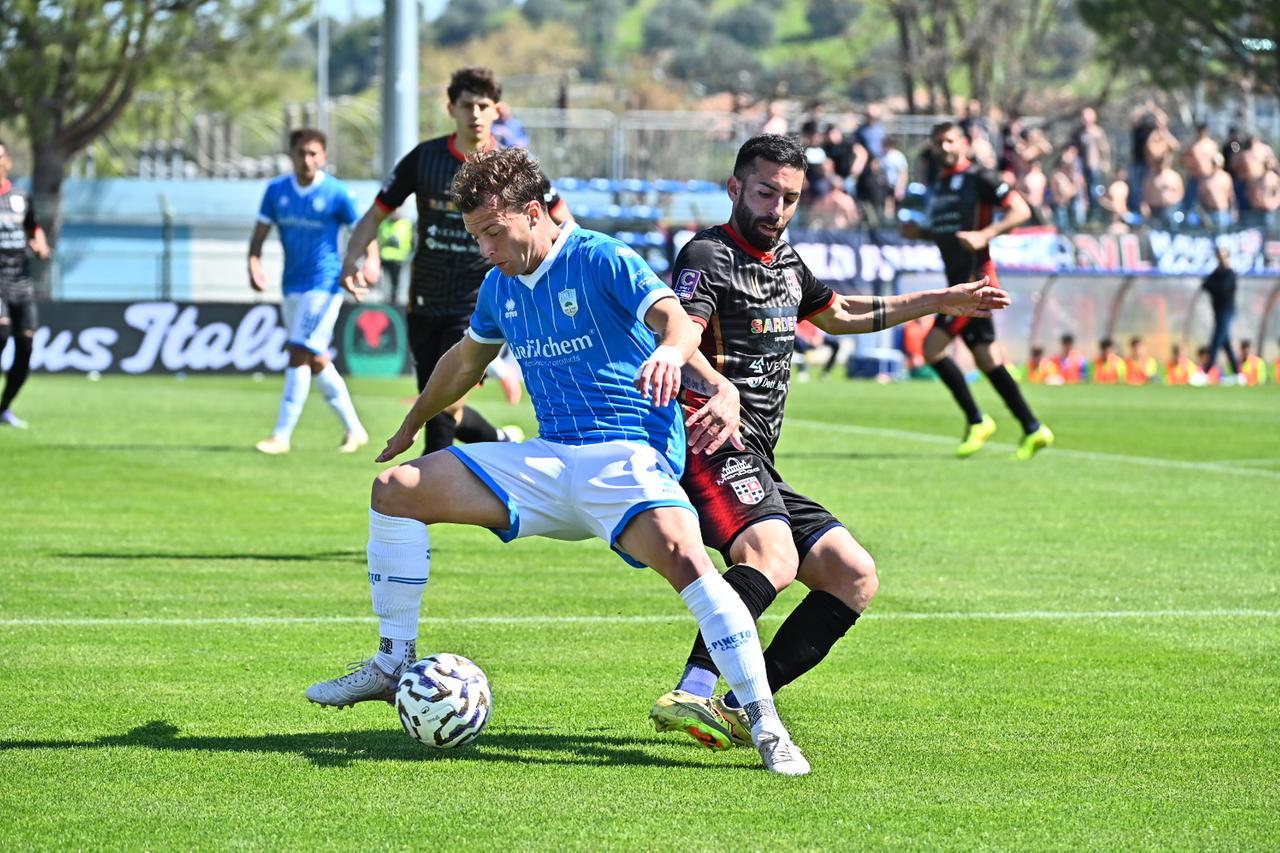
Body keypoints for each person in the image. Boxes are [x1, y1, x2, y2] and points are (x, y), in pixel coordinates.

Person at [307, 147, 811, 776]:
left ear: (534, 211)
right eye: (475, 237)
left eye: (493, 232)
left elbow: (677, 323)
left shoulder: (599, 257)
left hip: (628, 456)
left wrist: (673, 356)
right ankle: (391, 661)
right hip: (549, 461)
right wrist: (413, 422)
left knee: (689, 562)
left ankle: (765, 726)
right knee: (395, 489)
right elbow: (466, 363)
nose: (485, 250)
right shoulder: (500, 285)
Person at [648, 134, 1009, 751]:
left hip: (758, 460)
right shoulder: (705, 255)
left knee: (853, 575)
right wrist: (707, 381)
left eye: (789, 198)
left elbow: (841, 313)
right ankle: (692, 688)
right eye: (765, 194)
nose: (777, 210)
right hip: (707, 443)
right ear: (735, 188)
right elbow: (684, 330)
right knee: (773, 559)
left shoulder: (787, 264)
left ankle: (734, 707)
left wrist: (940, 300)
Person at [340, 67, 570, 455]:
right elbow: (377, 213)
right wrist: (351, 258)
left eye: (484, 106)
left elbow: (561, 220)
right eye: (467, 105)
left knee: (448, 403)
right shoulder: (424, 159)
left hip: (482, 298)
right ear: (451, 108)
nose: (475, 114)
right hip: (425, 297)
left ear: (498, 110)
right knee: (439, 404)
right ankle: (500, 443)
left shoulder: (515, 167)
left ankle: (427, 496)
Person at [906, 121, 1054, 460]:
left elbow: (1021, 210)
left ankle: (977, 420)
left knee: (931, 348)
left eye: (950, 140)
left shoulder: (980, 178)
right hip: (958, 281)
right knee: (987, 359)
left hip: (975, 283)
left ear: (965, 143)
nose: (944, 147)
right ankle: (1033, 427)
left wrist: (985, 235)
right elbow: (949, 231)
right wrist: (921, 233)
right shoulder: (940, 186)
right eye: (938, 141)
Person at [249, 128, 375, 454]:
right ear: (290, 155)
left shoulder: (336, 193)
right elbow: (260, 232)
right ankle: (355, 430)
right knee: (315, 358)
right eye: (301, 153)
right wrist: (253, 262)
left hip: (325, 283)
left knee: (297, 351)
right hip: (291, 284)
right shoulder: (276, 192)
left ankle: (281, 435)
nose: (307, 159)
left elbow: (362, 228)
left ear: (323, 157)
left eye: (313, 153)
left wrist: (371, 260)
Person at [0, 140, 49, 429]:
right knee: (1, 330)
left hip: (20, 279)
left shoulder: (20, 196)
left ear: (7, 161)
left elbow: (34, 227)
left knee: (26, 342)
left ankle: (4, 407)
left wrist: (40, 244)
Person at [1201, 244, 1239, 380]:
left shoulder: (1230, 274)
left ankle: (1206, 372)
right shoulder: (1216, 273)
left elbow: (1221, 290)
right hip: (1217, 311)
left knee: (1216, 340)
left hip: (1226, 311)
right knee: (1225, 342)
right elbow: (1205, 284)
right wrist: (1212, 286)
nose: (1221, 259)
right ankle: (1237, 373)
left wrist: (1212, 286)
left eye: (1223, 256)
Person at [376, 209, 414, 306]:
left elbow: (412, 241)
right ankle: (385, 300)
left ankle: (394, 301)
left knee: (396, 283)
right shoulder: (384, 224)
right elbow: (379, 240)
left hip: (400, 259)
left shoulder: (407, 224)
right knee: (384, 282)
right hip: (384, 258)